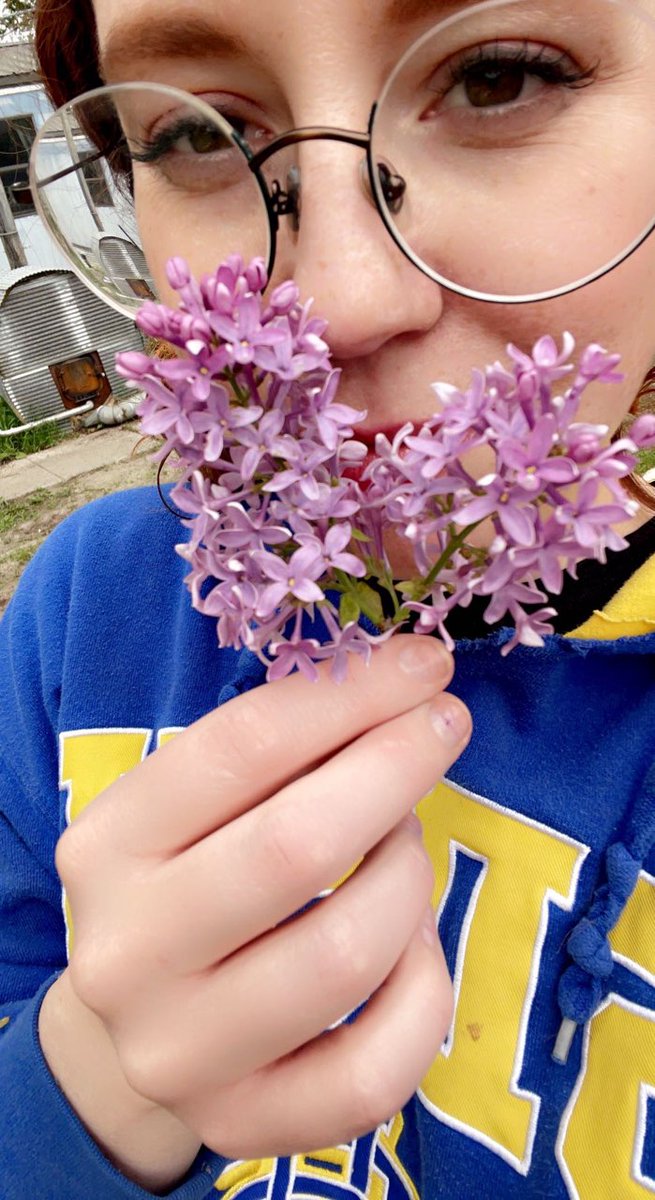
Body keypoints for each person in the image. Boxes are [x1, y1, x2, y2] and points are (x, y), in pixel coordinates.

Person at [1, 0, 655, 1196]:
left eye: (500, 75)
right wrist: (81, 1098)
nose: (341, 301)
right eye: (200, 135)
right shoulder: (82, 624)